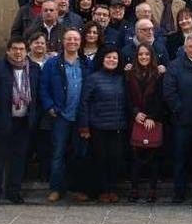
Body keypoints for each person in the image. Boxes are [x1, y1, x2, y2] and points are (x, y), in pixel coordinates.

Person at [40, 29, 92, 203]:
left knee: (80, 154)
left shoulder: (85, 64)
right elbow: (43, 87)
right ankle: (56, 188)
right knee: (58, 153)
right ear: (63, 41)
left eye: (76, 39)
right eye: (69, 39)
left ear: (80, 42)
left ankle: (76, 189)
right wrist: (50, 107)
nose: (72, 42)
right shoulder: (52, 64)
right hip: (61, 115)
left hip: (80, 116)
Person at [0, 37, 40, 207]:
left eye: (22, 49)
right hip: (3, 118)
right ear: (8, 51)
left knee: (19, 158)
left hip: (24, 120)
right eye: (15, 49)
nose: (18, 53)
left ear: (27, 51)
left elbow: (37, 93)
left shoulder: (33, 68)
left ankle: (14, 191)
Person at [163, 34, 192, 203]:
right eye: (191, 47)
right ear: (185, 48)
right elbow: (169, 92)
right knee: (180, 158)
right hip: (182, 121)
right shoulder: (175, 66)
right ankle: (179, 192)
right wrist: (179, 110)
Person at [77, 46, 127, 203]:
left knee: (116, 158)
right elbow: (84, 102)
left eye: (114, 58)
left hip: (118, 126)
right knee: (100, 159)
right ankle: (103, 190)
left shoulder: (122, 78)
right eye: (108, 57)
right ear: (102, 59)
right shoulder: (93, 78)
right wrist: (84, 126)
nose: (111, 60)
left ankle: (112, 189)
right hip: (98, 127)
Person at [125, 43, 164, 203]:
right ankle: (134, 189)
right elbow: (126, 97)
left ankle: (153, 189)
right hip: (135, 120)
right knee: (135, 158)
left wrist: (151, 117)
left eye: (147, 54)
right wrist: (135, 113)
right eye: (141, 54)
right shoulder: (129, 74)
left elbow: (161, 99)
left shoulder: (159, 74)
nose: (143, 57)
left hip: (152, 121)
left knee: (153, 157)